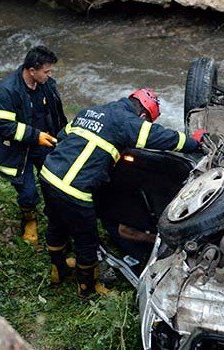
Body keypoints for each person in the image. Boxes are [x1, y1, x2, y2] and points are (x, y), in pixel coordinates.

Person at [39, 88, 205, 298]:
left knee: (56, 225)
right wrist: (194, 142)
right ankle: (88, 289)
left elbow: (63, 136)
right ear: (143, 116)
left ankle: (58, 270)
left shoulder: (93, 111)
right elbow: (161, 138)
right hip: (73, 190)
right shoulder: (126, 121)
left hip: (48, 175)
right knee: (86, 240)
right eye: (147, 121)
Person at [0, 46, 67, 247]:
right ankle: (29, 219)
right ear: (32, 70)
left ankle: (55, 216)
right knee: (28, 192)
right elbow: (4, 126)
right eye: (46, 72)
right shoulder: (6, 91)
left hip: (44, 143)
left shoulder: (47, 85)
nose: (49, 76)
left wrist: (63, 135)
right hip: (17, 150)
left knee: (53, 181)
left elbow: (57, 113)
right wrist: (35, 136)